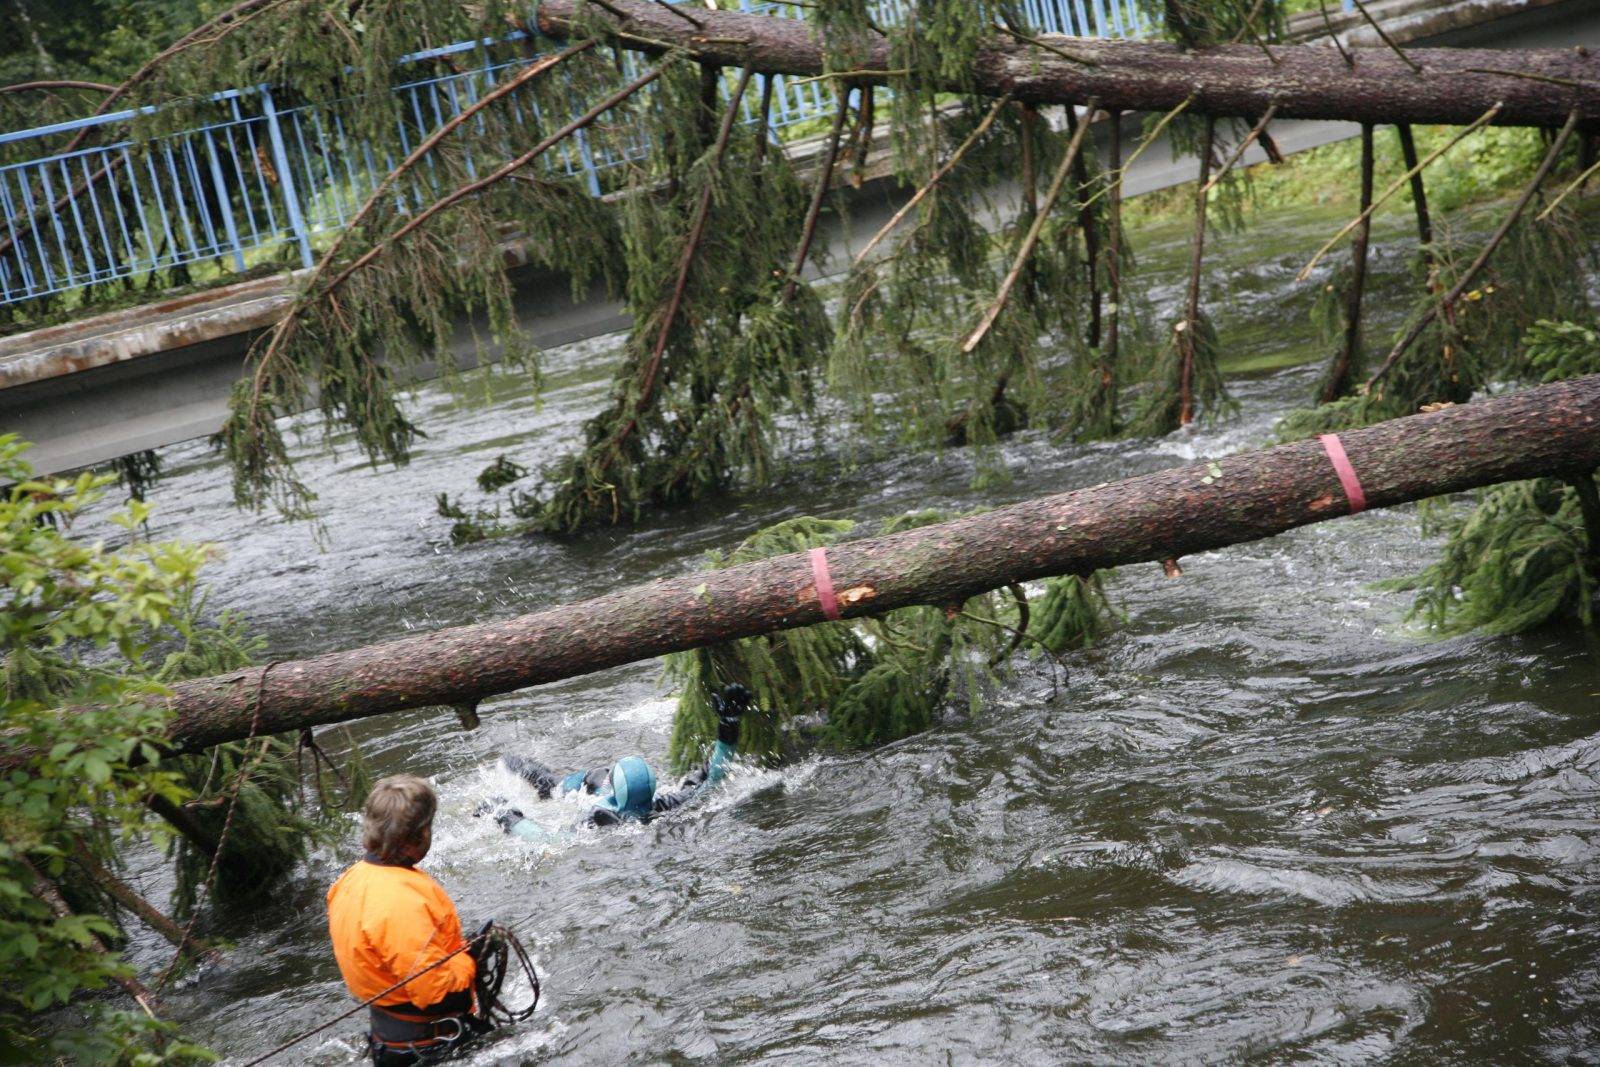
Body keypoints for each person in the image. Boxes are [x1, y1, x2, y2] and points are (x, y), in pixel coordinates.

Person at [327, 774, 488, 1065]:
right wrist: (470, 958)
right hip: (430, 1050)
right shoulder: (401, 904)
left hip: (392, 1041)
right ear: (418, 835)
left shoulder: (350, 881)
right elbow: (439, 995)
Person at [489, 683, 754, 840]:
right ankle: (511, 764)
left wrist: (505, 817)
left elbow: (548, 840)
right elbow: (713, 779)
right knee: (548, 785)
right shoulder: (665, 805)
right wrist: (727, 730)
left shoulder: (602, 818)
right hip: (592, 783)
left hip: (592, 781)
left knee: (553, 784)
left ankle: (507, 762)